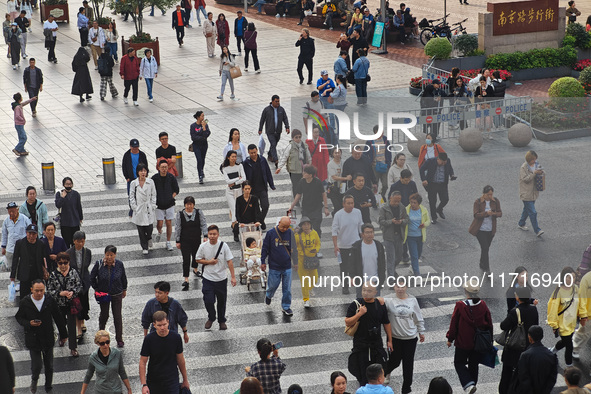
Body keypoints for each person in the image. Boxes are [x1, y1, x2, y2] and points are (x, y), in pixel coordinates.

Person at [15, 280, 67, 394]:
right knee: (37, 365)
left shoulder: (49, 300)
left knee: (49, 366)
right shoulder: (25, 302)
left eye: (41, 291)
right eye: (37, 290)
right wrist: (29, 323)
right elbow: (19, 317)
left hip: (47, 337)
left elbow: (58, 317)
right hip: (33, 339)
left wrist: (64, 334)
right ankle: (34, 381)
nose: (39, 293)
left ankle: (49, 388)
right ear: (31, 290)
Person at [446, 283, 493, 394]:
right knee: (474, 364)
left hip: (463, 342)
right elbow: (489, 323)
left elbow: (454, 323)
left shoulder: (460, 305)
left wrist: (450, 338)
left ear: (466, 292)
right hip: (478, 342)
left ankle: (469, 384)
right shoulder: (482, 304)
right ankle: (472, 386)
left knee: (459, 363)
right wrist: (489, 340)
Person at [345, 282, 392, 386]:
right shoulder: (356, 304)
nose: (365, 293)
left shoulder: (379, 305)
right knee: (363, 377)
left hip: (376, 346)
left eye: (369, 291)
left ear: (375, 292)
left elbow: (386, 323)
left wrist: (390, 341)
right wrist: (359, 314)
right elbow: (347, 322)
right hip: (361, 347)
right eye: (364, 290)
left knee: (378, 376)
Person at [382, 283, 424, 393]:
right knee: (394, 361)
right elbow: (377, 303)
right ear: (394, 287)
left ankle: (406, 388)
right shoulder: (388, 299)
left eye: (402, 286)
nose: (400, 289)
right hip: (394, 337)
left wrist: (421, 331)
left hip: (410, 337)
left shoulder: (412, 300)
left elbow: (418, 316)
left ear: (406, 287)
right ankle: (384, 372)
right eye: (397, 286)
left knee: (408, 364)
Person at [498, 286, 539, 394]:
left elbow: (503, 326)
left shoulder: (515, 312)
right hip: (528, 346)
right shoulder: (533, 309)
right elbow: (536, 325)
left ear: (518, 298)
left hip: (514, 348)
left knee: (507, 374)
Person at [139, 311, 190, 393]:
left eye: (164, 324)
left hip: (171, 380)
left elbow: (180, 360)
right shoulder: (149, 339)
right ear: (154, 325)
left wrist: (185, 380)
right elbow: (142, 362)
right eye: (159, 325)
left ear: (168, 323)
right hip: (154, 381)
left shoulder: (176, 338)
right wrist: (144, 385)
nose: (162, 327)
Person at [196, 225, 236, 329]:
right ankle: (211, 317)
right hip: (208, 278)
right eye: (210, 234)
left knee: (222, 301)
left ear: (218, 235)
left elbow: (230, 261)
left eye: (214, 234)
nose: (212, 236)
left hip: (221, 279)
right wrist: (209, 262)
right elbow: (197, 259)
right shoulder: (203, 246)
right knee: (208, 300)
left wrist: (233, 277)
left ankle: (222, 320)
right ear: (207, 235)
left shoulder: (224, 246)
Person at [548, 266, 587, 366]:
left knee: (565, 342)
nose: (571, 279)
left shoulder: (576, 289)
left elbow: (581, 303)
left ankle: (552, 350)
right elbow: (552, 309)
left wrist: (583, 316)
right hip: (562, 325)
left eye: (573, 277)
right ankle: (569, 367)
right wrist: (554, 325)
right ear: (563, 277)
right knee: (569, 346)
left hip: (572, 324)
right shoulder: (558, 291)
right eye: (568, 277)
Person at [90, 245, 128, 348]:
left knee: (117, 316)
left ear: (115, 255)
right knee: (104, 315)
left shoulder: (119, 264)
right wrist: (96, 288)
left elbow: (123, 277)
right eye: (107, 255)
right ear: (104, 254)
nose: (109, 257)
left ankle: (119, 339)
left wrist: (124, 289)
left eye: (111, 255)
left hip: (117, 293)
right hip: (104, 295)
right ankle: (101, 335)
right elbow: (92, 277)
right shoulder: (99, 264)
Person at [46, 252, 82, 357]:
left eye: (65, 263)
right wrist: (59, 293)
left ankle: (73, 348)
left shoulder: (73, 272)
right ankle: (62, 337)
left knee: (72, 326)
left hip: (71, 304)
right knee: (61, 324)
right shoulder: (53, 275)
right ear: (57, 263)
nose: (63, 265)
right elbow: (49, 290)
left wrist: (73, 292)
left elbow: (79, 285)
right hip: (58, 305)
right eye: (60, 263)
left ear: (69, 262)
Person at [262, 216, 296, 316]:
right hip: (274, 266)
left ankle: (286, 306)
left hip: (287, 266)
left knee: (287, 289)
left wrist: (296, 262)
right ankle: (269, 295)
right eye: (283, 227)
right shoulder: (271, 233)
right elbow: (265, 248)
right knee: (273, 285)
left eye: (287, 227)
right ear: (279, 223)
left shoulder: (290, 233)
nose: (284, 229)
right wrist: (263, 261)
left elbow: (294, 248)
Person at [81, 330, 132, 394]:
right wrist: (82, 392)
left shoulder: (117, 354)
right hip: (101, 391)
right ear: (97, 343)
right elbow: (88, 375)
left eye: (107, 342)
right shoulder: (93, 357)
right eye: (102, 343)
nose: (105, 345)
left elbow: (122, 372)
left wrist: (129, 389)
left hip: (116, 391)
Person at [290, 164, 331, 238]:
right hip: (306, 208)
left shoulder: (317, 182)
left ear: (310, 175)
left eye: (305, 173)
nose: (303, 174)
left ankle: (317, 240)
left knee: (316, 227)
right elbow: (299, 194)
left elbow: (323, 194)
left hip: (316, 208)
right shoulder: (302, 182)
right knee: (306, 227)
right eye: (304, 172)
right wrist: (292, 206)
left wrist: (326, 207)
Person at [332, 195, 363, 294]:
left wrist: (364, 241)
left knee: (358, 266)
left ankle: (359, 284)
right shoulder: (338, 215)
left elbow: (360, 227)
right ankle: (345, 287)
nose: (350, 205)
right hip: (343, 246)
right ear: (343, 204)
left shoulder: (357, 212)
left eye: (352, 203)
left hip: (355, 245)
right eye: (348, 203)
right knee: (344, 268)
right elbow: (334, 231)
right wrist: (335, 246)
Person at [176, 196, 208, 288]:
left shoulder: (198, 213)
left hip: (196, 239)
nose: (189, 206)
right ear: (184, 205)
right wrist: (177, 240)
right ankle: (186, 278)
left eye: (191, 204)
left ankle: (195, 269)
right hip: (184, 240)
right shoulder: (180, 214)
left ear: (194, 205)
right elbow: (178, 227)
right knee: (186, 259)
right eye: (187, 204)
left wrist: (205, 236)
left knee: (196, 256)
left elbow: (203, 224)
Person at [468, 185, 502, 274]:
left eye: (491, 194)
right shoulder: (478, 202)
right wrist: (486, 213)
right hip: (480, 229)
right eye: (488, 194)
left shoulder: (495, 201)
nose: (490, 196)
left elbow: (500, 213)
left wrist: (493, 213)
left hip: (490, 229)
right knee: (485, 247)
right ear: (484, 194)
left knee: (485, 248)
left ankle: (482, 262)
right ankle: (487, 268)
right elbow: (476, 215)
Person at [518, 325, 558, 394]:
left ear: (530, 337)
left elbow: (523, 378)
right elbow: (552, 377)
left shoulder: (525, 356)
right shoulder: (551, 356)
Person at [66, 230, 92, 338]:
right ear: (74, 241)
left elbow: (86, 264)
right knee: (76, 304)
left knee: (84, 302)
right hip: (74, 281)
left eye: (82, 241)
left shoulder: (87, 252)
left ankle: (82, 322)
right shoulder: (68, 252)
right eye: (78, 241)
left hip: (84, 280)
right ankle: (78, 328)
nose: (80, 243)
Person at [243, 145, 276, 229]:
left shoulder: (262, 160)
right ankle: (257, 223)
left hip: (262, 188)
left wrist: (271, 184)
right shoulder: (246, 163)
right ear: (248, 152)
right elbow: (244, 176)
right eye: (251, 153)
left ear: (257, 150)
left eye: (255, 152)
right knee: (255, 208)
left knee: (265, 206)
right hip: (252, 190)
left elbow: (268, 172)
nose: (254, 154)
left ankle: (260, 220)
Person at [419, 152, 456, 224]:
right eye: (442, 162)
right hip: (432, 184)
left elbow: (450, 168)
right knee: (432, 201)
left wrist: (452, 175)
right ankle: (434, 217)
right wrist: (424, 179)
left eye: (445, 162)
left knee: (445, 199)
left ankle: (439, 209)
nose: (443, 164)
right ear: (438, 159)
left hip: (443, 184)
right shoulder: (430, 161)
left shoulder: (447, 161)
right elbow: (422, 169)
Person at [378, 191, 408, 279]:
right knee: (391, 258)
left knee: (398, 257)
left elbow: (407, 219)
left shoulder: (402, 207)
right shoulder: (384, 208)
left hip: (399, 235)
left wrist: (401, 221)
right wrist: (391, 221)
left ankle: (391, 270)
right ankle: (391, 279)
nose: (397, 203)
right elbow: (381, 221)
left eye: (398, 201)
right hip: (388, 236)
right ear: (390, 198)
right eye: (395, 201)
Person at [351, 224, 386, 297]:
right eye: (367, 232)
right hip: (361, 281)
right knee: (361, 304)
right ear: (362, 234)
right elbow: (352, 263)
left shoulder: (378, 245)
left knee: (375, 304)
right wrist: (352, 277)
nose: (370, 234)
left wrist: (382, 278)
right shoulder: (356, 246)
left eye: (371, 232)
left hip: (375, 280)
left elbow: (382, 263)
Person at [129, 163, 156, 255]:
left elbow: (154, 194)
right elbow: (131, 196)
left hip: (148, 207)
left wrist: (153, 205)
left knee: (149, 227)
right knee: (140, 229)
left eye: (144, 171)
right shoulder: (134, 183)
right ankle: (144, 246)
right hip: (139, 208)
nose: (143, 173)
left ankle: (149, 238)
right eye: (141, 171)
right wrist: (134, 207)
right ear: (138, 172)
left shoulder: (150, 182)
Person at [152, 159, 180, 251]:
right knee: (159, 223)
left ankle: (168, 241)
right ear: (158, 168)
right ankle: (159, 232)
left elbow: (176, 189)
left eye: (165, 167)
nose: (164, 169)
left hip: (169, 204)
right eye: (162, 167)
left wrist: (172, 196)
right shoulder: (154, 178)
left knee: (169, 223)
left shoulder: (171, 177)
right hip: (159, 205)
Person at [276, 129, 312, 198]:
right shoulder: (290, 147)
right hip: (293, 170)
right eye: (296, 137)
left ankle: (302, 197)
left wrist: (310, 164)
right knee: (296, 185)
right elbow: (284, 157)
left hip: (303, 169)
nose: (298, 139)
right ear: (293, 138)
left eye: (299, 137)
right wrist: (279, 167)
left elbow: (308, 156)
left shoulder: (304, 145)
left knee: (303, 184)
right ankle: (296, 199)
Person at [293, 217, 319, 308]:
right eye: (304, 224)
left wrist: (316, 249)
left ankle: (310, 288)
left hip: (312, 259)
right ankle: (306, 299)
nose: (306, 226)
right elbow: (293, 246)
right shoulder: (298, 236)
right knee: (304, 281)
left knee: (315, 278)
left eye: (308, 224)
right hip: (301, 260)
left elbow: (318, 243)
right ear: (301, 226)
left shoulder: (314, 233)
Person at [258, 95, 291, 166]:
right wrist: (260, 129)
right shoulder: (267, 110)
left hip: (278, 131)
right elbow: (262, 120)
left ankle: (270, 154)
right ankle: (276, 159)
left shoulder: (281, 109)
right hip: (270, 131)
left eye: (278, 101)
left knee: (274, 144)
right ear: (272, 101)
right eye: (276, 101)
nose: (278, 103)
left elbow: (285, 118)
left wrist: (287, 127)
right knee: (273, 144)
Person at [518, 150, 544, 237]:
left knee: (527, 209)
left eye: (535, 159)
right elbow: (525, 179)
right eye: (533, 159)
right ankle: (537, 230)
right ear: (529, 159)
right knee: (533, 212)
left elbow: (543, 172)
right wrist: (534, 173)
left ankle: (521, 223)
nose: (535, 161)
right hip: (526, 194)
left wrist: (541, 172)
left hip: (534, 193)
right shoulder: (524, 167)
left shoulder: (536, 164)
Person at [222, 150, 246, 241]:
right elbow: (227, 181)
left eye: (235, 156)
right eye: (232, 156)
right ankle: (236, 231)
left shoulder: (239, 166)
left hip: (239, 190)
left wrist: (235, 182)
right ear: (228, 157)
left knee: (239, 210)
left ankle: (234, 226)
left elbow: (244, 178)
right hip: (230, 192)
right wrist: (237, 178)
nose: (234, 158)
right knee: (234, 209)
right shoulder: (225, 168)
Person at [404, 193, 429, 275]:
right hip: (410, 236)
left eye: (415, 203)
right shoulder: (406, 209)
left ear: (419, 203)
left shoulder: (423, 210)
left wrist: (424, 224)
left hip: (420, 236)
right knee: (414, 255)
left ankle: (413, 266)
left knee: (418, 254)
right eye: (411, 202)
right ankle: (417, 273)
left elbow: (428, 221)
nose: (412, 204)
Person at [122, 138, 149, 217]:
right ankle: (132, 210)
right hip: (131, 179)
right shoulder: (127, 155)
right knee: (131, 195)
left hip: (141, 178)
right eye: (133, 147)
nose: (135, 149)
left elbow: (146, 165)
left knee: (141, 194)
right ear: (130, 147)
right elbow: (124, 166)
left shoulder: (142, 155)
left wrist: (145, 175)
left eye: (136, 147)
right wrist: (127, 177)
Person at [2, 201, 31, 273]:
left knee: (23, 268)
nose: (11, 213)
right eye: (9, 211)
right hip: (10, 249)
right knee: (12, 269)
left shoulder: (25, 219)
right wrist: (3, 247)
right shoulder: (6, 221)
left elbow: (30, 233)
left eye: (13, 211)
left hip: (23, 249)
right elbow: (4, 235)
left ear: (17, 209)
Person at [54, 177, 83, 248]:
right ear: (63, 185)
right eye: (67, 184)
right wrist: (62, 197)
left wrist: (80, 218)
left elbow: (79, 206)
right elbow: (58, 205)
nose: (68, 186)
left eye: (70, 184)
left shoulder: (76, 194)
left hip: (75, 222)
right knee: (66, 243)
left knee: (75, 243)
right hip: (65, 223)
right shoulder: (59, 194)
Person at [364, 131, 391, 202]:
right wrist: (369, 162)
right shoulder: (370, 141)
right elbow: (365, 153)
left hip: (384, 166)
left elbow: (389, 151)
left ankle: (381, 196)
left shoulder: (385, 140)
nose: (383, 133)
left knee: (385, 185)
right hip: (374, 166)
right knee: (375, 185)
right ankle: (374, 199)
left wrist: (389, 162)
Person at [11, 92, 36, 156]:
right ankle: (17, 148)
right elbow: (17, 116)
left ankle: (21, 150)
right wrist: (23, 119)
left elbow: (25, 103)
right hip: (19, 124)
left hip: (19, 124)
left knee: (21, 137)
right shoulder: (17, 107)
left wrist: (32, 99)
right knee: (24, 138)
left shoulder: (18, 105)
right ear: (20, 99)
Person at [190, 110, 211, 184]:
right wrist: (202, 137)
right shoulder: (193, 126)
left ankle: (201, 170)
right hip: (196, 145)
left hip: (204, 145)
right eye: (202, 116)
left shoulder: (205, 124)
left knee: (202, 159)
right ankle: (200, 176)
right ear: (198, 117)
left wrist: (204, 128)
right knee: (199, 160)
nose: (203, 117)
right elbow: (193, 137)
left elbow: (207, 134)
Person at [327, 149, 346, 215]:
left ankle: (337, 215)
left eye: (339, 153)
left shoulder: (343, 162)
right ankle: (334, 214)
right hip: (333, 186)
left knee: (341, 204)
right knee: (337, 205)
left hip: (342, 186)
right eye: (336, 153)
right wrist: (346, 178)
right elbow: (334, 177)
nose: (337, 154)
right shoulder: (330, 164)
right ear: (332, 154)